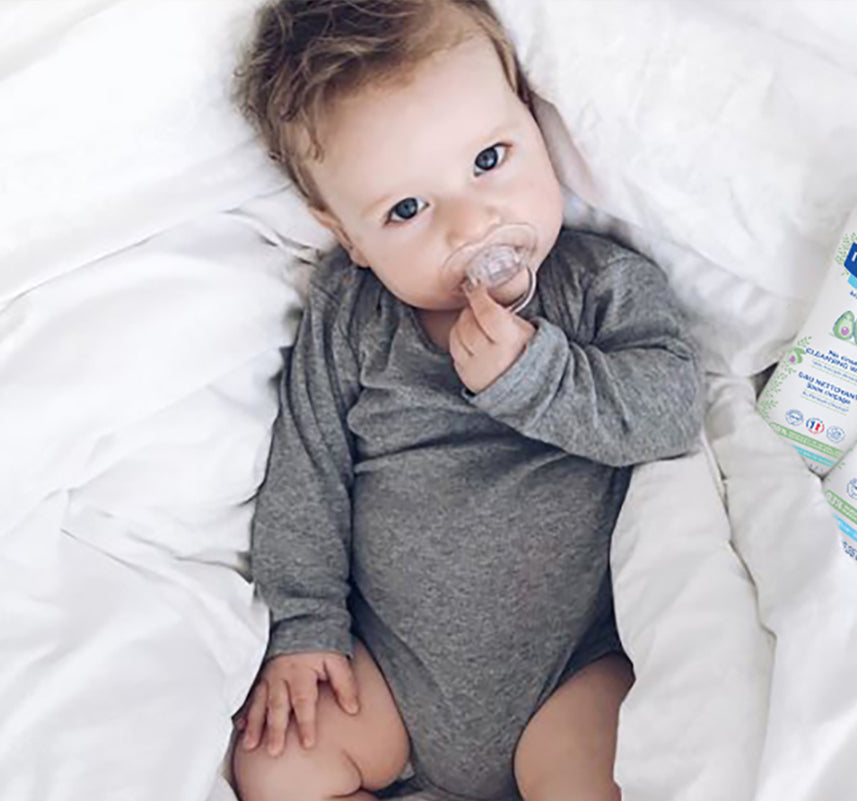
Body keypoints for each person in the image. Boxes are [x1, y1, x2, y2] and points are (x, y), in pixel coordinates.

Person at [231, 1, 705, 799]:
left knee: (605, 768)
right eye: (406, 210)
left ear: (529, 114)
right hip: (390, 673)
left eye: (490, 158)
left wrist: (539, 376)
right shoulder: (353, 316)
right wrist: (305, 623)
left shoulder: (597, 286)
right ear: (346, 232)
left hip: (573, 671)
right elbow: (306, 471)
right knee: (277, 760)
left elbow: (671, 408)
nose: (471, 221)